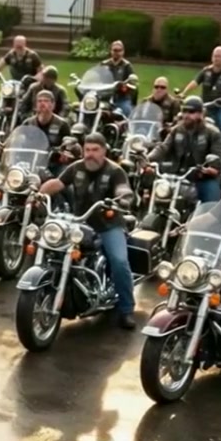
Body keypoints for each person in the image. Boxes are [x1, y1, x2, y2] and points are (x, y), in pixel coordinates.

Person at [39, 132, 137, 330]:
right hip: (80, 223)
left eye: (95, 150)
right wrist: (38, 193)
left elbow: (123, 189)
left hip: (108, 225)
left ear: (104, 151)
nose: (90, 154)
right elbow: (57, 183)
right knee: (53, 247)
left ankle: (126, 309)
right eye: (87, 150)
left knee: (119, 261)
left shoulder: (115, 171)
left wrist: (122, 199)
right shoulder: (76, 168)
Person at [151, 96, 221, 203]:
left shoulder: (213, 133)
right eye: (184, 111)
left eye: (191, 112)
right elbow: (163, 147)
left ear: (201, 113)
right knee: (154, 191)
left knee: (211, 203)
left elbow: (218, 155)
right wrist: (148, 159)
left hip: (202, 178)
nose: (186, 115)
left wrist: (212, 168)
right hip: (178, 176)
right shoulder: (177, 130)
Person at [182, 45, 221, 159]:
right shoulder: (206, 71)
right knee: (190, 123)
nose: (216, 58)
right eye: (214, 56)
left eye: (219, 56)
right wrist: (184, 93)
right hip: (205, 107)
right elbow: (195, 82)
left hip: (220, 108)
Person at [101, 40, 135, 117]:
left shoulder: (127, 66)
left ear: (123, 52)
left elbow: (132, 82)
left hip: (121, 97)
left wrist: (125, 86)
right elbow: (97, 78)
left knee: (127, 110)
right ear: (111, 51)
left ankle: (127, 123)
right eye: (115, 50)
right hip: (105, 97)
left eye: (119, 50)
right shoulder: (104, 64)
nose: (117, 53)